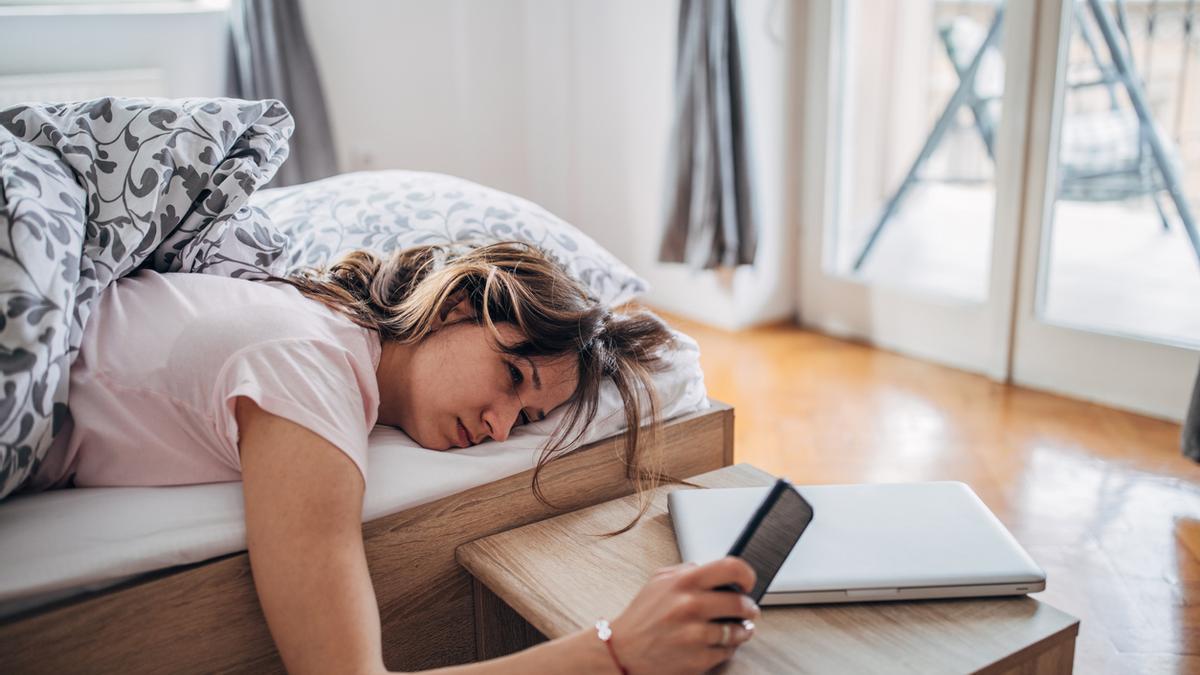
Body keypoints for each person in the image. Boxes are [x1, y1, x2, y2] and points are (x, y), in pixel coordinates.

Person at [23, 241, 759, 674]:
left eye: (529, 417)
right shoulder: (306, 364)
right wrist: (617, 648)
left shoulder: (321, 339)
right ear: (455, 307)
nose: (503, 427)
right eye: (512, 377)